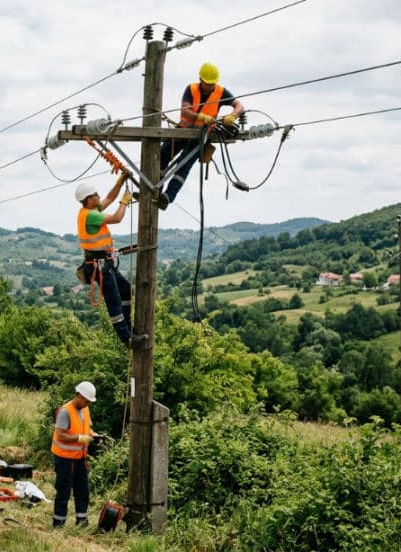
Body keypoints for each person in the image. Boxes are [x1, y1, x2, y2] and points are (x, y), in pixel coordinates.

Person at [75, 172, 147, 349]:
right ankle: (127, 339)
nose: (99, 196)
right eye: (96, 194)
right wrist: (125, 201)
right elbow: (117, 218)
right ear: (89, 199)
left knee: (125, 291)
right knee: (114, 301)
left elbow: (109, 197)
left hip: (103, 263)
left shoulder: (90, 211)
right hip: (99, 266)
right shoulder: (91, 215)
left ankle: (129, 328)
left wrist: (120, 182)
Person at [159, 62, 245, 209]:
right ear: (201, 79)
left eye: (212, 84)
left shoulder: (220, 91)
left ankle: (168, 196)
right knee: (161, 156)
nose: (210, 86)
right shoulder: (191, 89)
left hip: (201, 136)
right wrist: (202, 117)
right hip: (183, 131)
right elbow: (185, 111)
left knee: (184, 164)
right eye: (207, 83)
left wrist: (233, 115)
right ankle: (154, 190)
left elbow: (239, 106)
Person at [51, 381, 100, 528]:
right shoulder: (65, 411)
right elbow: (60, 436)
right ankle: (58, 523)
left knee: (82, 490)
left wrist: (93, 435)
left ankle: (82, 522)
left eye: (89, 401)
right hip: (64, 459)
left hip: (80, 458)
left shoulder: (85, 410)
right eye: (85, 400)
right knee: (63, 491)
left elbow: (87, 429)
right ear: (78, 395)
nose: (87, 403)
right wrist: (79, 438)